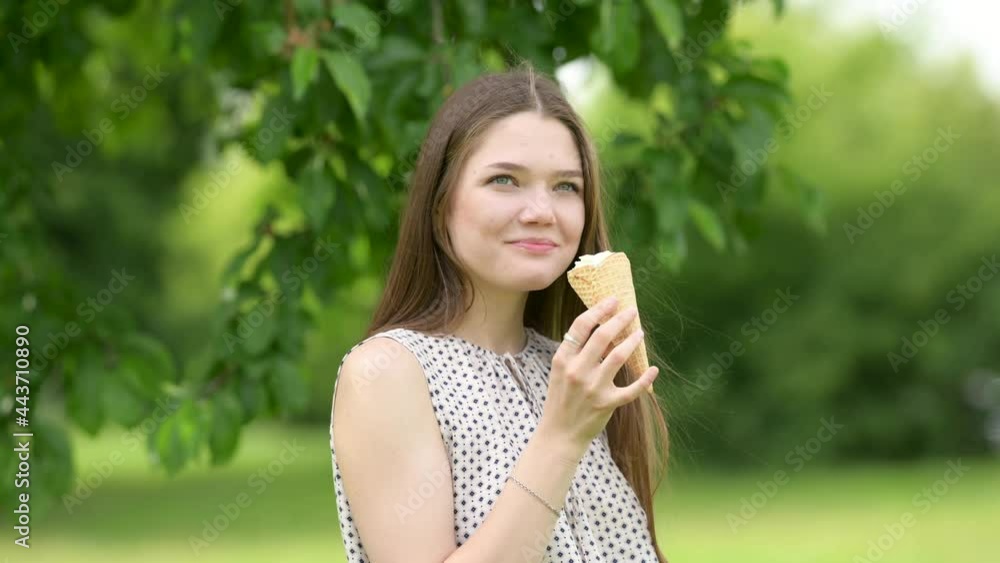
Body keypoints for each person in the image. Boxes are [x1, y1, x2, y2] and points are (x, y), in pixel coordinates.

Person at [329, 65, 671, 562]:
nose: (541, 211)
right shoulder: (388, 374)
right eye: (505, 180)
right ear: (440, 203)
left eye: (566, 187)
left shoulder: (573, 369)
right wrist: (561, 436)